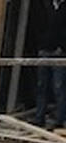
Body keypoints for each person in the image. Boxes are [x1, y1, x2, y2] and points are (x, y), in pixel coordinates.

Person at [35, 0, 66, 128]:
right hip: (44, 50)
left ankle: (60, 120)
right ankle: (39, 118)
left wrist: (62, 47)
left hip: (60, 52)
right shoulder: (45, 6)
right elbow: (37, 27)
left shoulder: (63, 7)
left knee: (58, 87)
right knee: (41, 86)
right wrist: (40, 46)